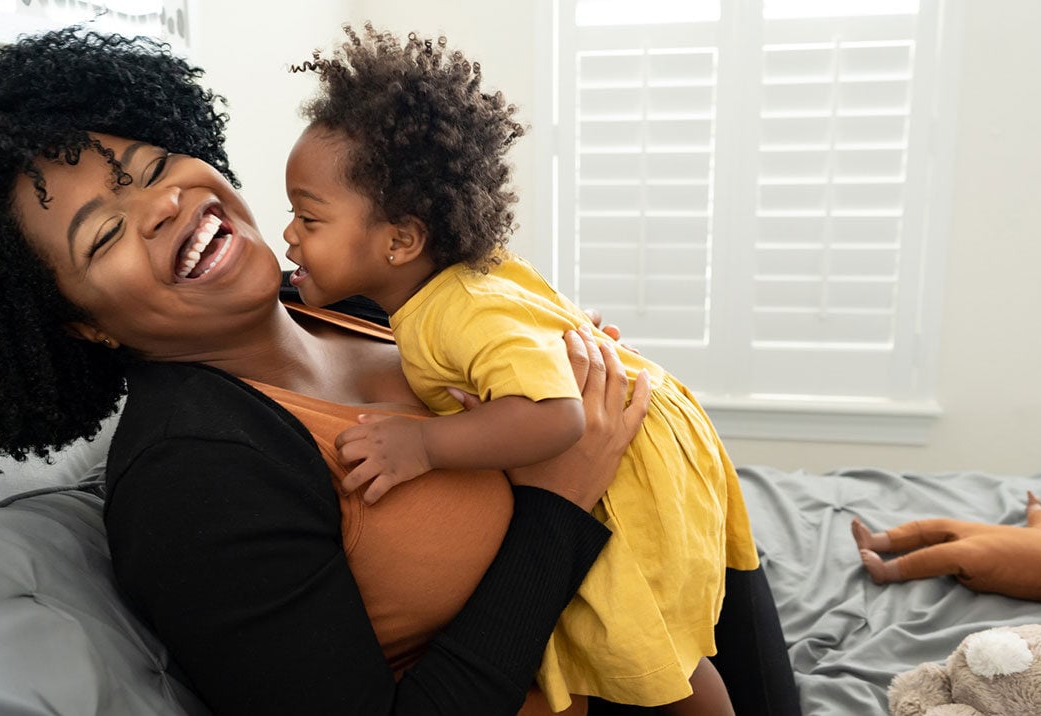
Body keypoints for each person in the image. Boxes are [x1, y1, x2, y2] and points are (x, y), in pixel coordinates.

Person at [0, 27, 799, 716]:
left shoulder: (340, 297)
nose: (162, 208)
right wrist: (557, 504)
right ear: (84, 326)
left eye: (151, 168)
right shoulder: (193, 473)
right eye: (102, 234)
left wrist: (565, 354)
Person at [282, 25, 757, 714]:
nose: (289, 235)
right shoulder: (452, 288)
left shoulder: (455, 311)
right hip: (640, 435)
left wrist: (423, 444)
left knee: (647, 644)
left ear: (401, 240)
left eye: (308, 218)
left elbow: (556, 415)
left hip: (628, 467)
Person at [852, 492, 1041, 601]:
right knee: (942, 525)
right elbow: (1040, 518)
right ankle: (878, 540)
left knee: (951, 554)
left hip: (988, 559)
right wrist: (1035, 507)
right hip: (985, 533)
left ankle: (887, 572)